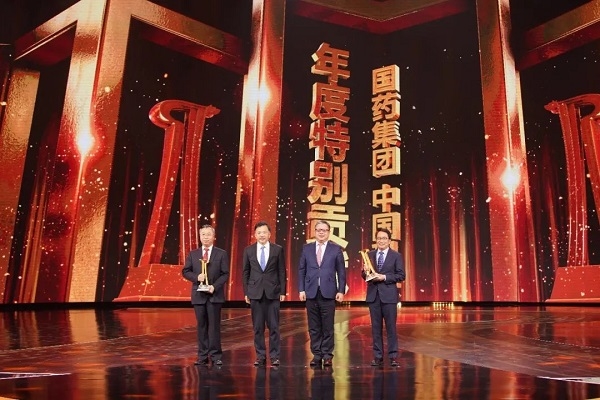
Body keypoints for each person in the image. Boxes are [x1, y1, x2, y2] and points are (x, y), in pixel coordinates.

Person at [298, 220, 346, 367]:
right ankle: (317, 355)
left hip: (328, 292)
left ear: (328, 232)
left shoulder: (336, 249)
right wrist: (301, 289)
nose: (321, 232)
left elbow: (341, 272)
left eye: (324, 230)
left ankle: (327, 354)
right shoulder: (307, 248)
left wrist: (341, 290)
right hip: (311, 292)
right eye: (318, 230)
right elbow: (301, 270)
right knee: (314, 326)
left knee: (328, 326)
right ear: (315, 232)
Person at [182, 224, 230, 366]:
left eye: (208, 234)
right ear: (200, 236)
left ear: (214, 236)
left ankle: (216, 356)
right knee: (201, 326)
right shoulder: (193, 254)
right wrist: (197, 277)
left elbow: (225, 274)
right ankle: (202, 356)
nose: (206, 237)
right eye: (203, 234)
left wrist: (214, 286)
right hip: (199, 296)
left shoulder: (221, 254)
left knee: (214, 327)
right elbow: (185, 271)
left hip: (214, 295)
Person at [242, 221, 287, 367]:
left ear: (269, 234)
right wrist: (246, 292)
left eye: (264, 232)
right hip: (255, 293)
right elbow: (245, 272)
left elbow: (281, 271)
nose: (262, 235)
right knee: (258, 328)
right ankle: (260, 356)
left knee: (274, 327)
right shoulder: (248, 250)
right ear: (255, 235)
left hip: (273, 292)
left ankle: (275, 356)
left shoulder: (277, 249)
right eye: (259, 232)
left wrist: (282, 291)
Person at [361, 227, 405, 367]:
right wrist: (365, 272)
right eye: (379, 238)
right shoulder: (369, 255)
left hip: (389, 297)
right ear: (376, 240)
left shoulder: (396, 256)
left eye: (384, 238)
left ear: (389, 240)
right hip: (373, 296)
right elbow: (365, 276)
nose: (381, 241)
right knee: (376, 328)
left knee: (391, 327)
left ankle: (393, 356)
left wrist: (384, 277)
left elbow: (401, 275)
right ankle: (378, 356)